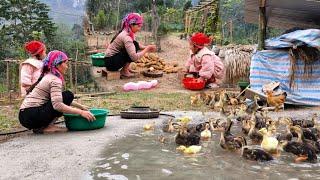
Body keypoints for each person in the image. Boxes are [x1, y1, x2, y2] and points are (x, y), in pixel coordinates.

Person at [19, 50, 95, 133]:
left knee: (66, 96)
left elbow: (58, 98)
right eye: (65, 63)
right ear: (57, 64)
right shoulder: (54, 79)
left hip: (25, 115)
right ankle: (47, 126)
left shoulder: (48, 75)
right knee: (68, 95)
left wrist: (81, 107)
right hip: (32, 115)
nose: (67, 67)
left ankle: (40, 127)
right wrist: (81, 112)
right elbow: (57, 105)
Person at [104, 13, 156, 78]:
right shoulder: (126, 37)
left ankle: (125, 69)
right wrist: (147, 49)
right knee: (133, 48)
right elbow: (134, 57)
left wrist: (147, 47)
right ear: (131, 25)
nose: (139, 29)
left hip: (109, 61)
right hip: (111, 63)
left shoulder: (127, 31)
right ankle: (124, 71)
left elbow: (135, 44)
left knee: (135, 44)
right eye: (138, 26)